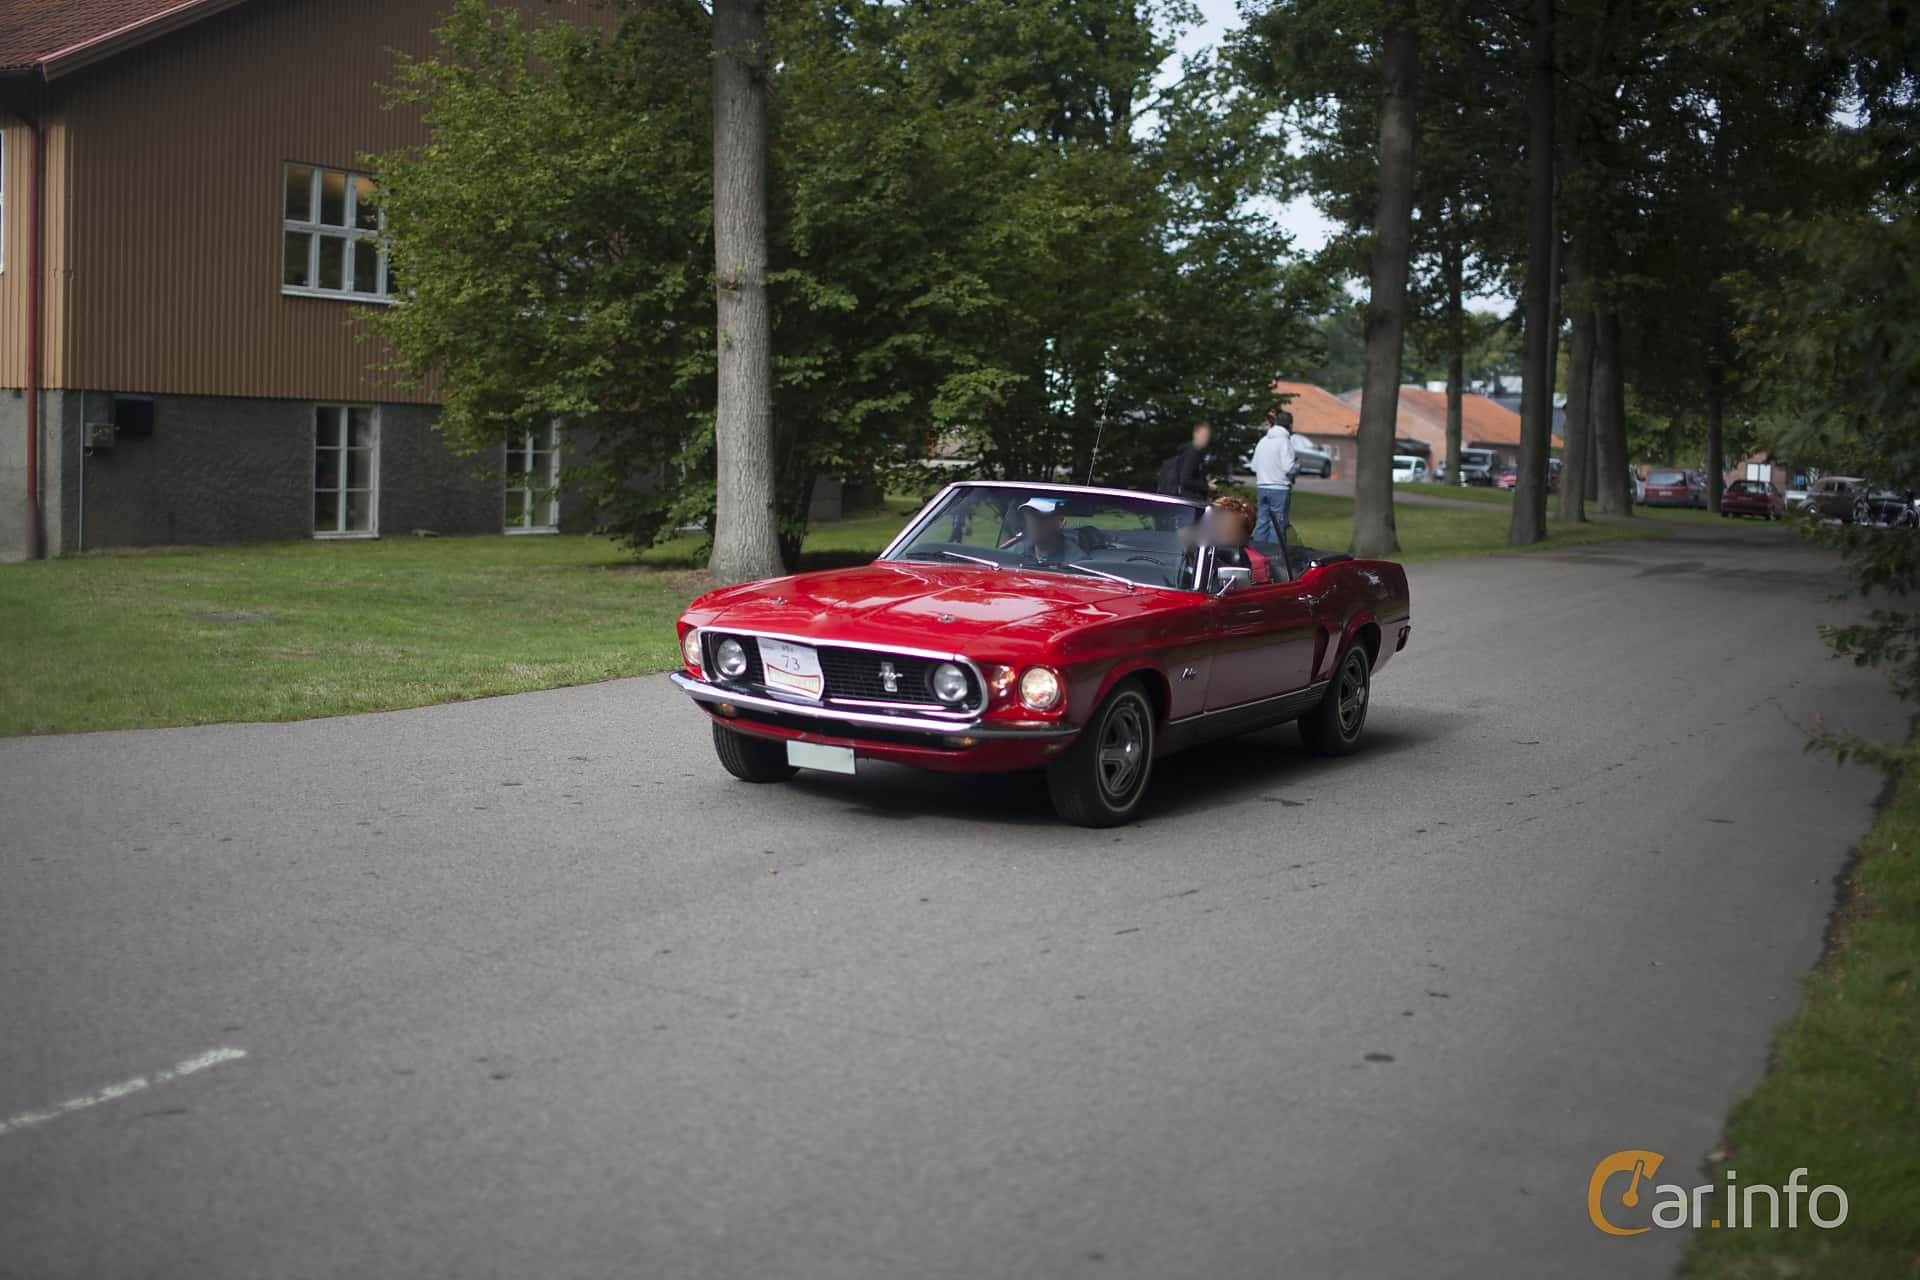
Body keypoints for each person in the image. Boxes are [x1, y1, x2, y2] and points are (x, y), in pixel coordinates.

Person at [1251, 408, 1299, 543]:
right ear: (1290, 425)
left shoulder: (1263, 441)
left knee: (1262, 523)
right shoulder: (1285, 441)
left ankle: (1259, 551)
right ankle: (1275, 553)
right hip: (1279, 488)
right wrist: (1298, 466)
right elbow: (1288, 467)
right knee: (1277, 525)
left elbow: (1253, 466)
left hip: (1262, 486)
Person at [1208, 494, 1273, 584]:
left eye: (1227, 529)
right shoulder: (1202, 552)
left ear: (1245, 535)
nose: (1218, 532)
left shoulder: (1255, 563)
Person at [1158, 423, 1217, 503]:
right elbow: (1186, 480)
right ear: (1195, 434)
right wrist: (1207, 486)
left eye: (1207, 437)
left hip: (1180, 501)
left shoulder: (1188, 452)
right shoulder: (1192, 454)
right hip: (1186, 502)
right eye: (1203, 435)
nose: (1205, 439)